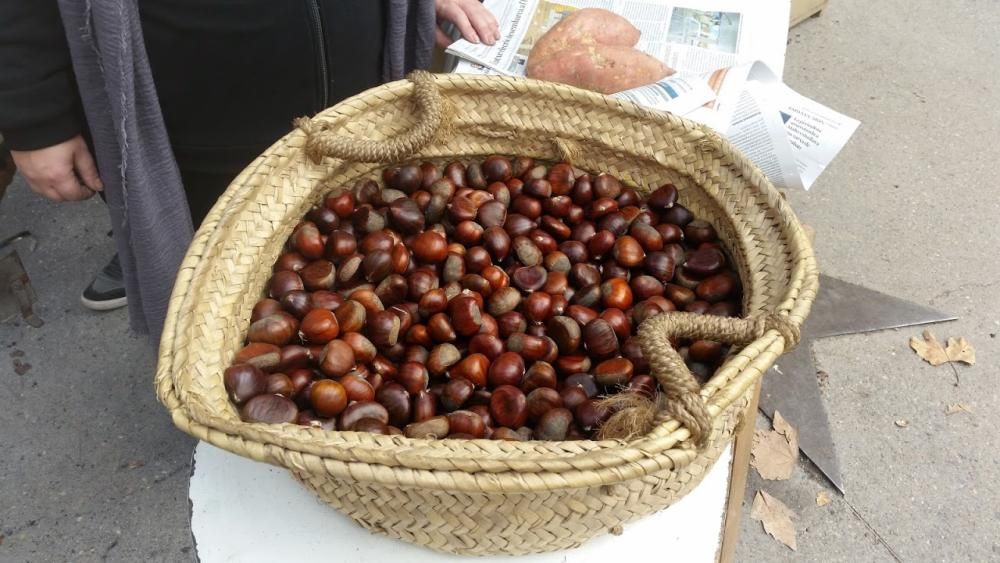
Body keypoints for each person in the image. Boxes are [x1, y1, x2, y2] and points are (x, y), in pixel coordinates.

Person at [0, 0, 497, 331]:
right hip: (194, 110)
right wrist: (33, 111)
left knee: (355, 239)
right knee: (211, 269)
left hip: (355, 81)